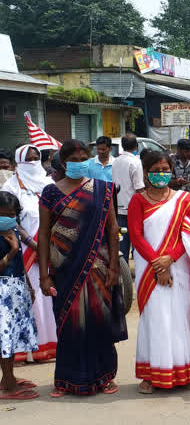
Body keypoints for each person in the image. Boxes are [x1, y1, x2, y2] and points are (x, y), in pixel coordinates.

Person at [129, 151, 190, 394]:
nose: (160, 174)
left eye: (164, 170)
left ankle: (184, 372)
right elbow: (136, 236)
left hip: (178, 266)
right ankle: (151, 376)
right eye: (155, 170)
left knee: (178, 320)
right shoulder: (138, 201)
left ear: (171, 171)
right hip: (149, 269)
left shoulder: (185, 200)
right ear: (145, 171)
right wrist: (157, 264)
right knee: (153, 318)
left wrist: (169, 259)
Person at [38, 139, 127, 396]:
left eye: (83, 159)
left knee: (99, 320)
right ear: (63, 163)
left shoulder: (102, 189)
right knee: (67, 324)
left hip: (97, 268)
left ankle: (105, 376)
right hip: (63, 270)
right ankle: (66, 380)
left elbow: (112, 229)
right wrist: (44, 276)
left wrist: (113, 266)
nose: (78, 164)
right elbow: (43, 234)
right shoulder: (50, 192)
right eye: (73, 160)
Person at [1, 145, 56, 363]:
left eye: (36, 158)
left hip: (51, 249)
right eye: (28, 159)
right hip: (25, 251)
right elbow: (11, 219)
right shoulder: (10, 186)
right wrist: (34, 244)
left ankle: (52, 344)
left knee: (50, 299)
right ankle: (30, 349)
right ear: (17, 163)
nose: (33, 163)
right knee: (32, 300)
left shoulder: (49, 183)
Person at [0, 191, 39, 400]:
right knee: (4, 339)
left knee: (12, 336)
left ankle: (9, 377)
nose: (7, 217)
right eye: (3, 213)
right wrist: (12, 251)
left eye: (12, 213)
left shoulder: (13, 227)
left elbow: (22, 264)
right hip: (2, 292)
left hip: (16, 287)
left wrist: (30, 286)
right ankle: (8, 384)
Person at [113, 133, 145, 261]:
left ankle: (123, 272)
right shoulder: (135, 162)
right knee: (137, 243)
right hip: (133, 209)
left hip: (118, 208)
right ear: (136, 146)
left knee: (122, 243)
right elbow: (139, 187)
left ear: (122, 146)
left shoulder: (115, 161)